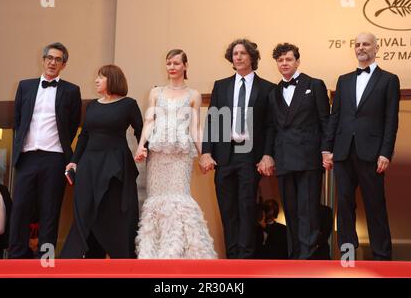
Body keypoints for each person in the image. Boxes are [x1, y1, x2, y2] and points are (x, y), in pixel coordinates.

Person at [323, 32, 400, 260]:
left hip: (372, 152)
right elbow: (334, 117)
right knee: (344, 204)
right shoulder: (343, 80)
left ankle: (382, 256)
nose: (361, 48)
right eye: (357, 45)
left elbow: (391, 120)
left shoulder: (389, 79)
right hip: (343, 151)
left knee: (375, 204)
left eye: (366, 44)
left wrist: (386, 152)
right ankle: (347, 255)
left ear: (376, 48)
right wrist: (327, 148)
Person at [134, 49, 216, 259]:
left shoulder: (194, 95)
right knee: (156, 201)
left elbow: (195, 127)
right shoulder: (156, 93)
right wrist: (141, 145)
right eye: (169, 63)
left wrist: (203, 154)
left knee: (180, 200)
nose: (171, 67)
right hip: (158, 155)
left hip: (180, 155)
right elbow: (149, 121)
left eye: (176, 63)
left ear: (185, 66)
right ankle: (153, 254)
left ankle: (182, 253)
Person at [199, 39, 274, 259]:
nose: (238, 57)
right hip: (224, 154)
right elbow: (212, 120)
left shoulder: (268, 88)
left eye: (242, 53)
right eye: (234, 54)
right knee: (227, 208)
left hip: (250, 155)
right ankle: (232, 258)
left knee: (247, 207)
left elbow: (270, 126)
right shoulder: (221, 85)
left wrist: (268, 154)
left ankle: (246, 258)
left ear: (252, 57)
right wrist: (206, 152)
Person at [61, 64, 143, 258]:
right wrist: (74, 161)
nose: (96, 80)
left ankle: (122, 257)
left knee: (113, 212)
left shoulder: (129, 104)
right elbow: (85, 136)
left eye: (101, 77)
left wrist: (144, 150)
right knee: (85, 208)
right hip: (89, 165)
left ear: (112, 79)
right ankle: (86, 257)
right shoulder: (92, 105)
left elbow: (141, 131)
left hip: (116, 166)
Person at [10, 42, 82, 258]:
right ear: (43, 60)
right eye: (49, 58)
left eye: (58, 59)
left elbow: (71, 127)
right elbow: (18, 121)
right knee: (20, 209)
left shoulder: (72, 91)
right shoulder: (25, 86)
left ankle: (45, 260)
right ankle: (15, 259)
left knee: (50, 212)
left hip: (55, 159)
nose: (52, 62)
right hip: (27, 157)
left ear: (64, 64)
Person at [268, 43, 330, 259]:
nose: (284, 63)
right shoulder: (273, 92)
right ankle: (294, 258)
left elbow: (325, 121)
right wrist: (269, 155)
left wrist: (326, 151)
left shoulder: (314, 84)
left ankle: (308, 258)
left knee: (308, 211)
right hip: (284, 159)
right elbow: (272, 128)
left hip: (309, 158)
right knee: (291, 211)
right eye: (280, 60)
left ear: (297, 61)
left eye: (288, 59)